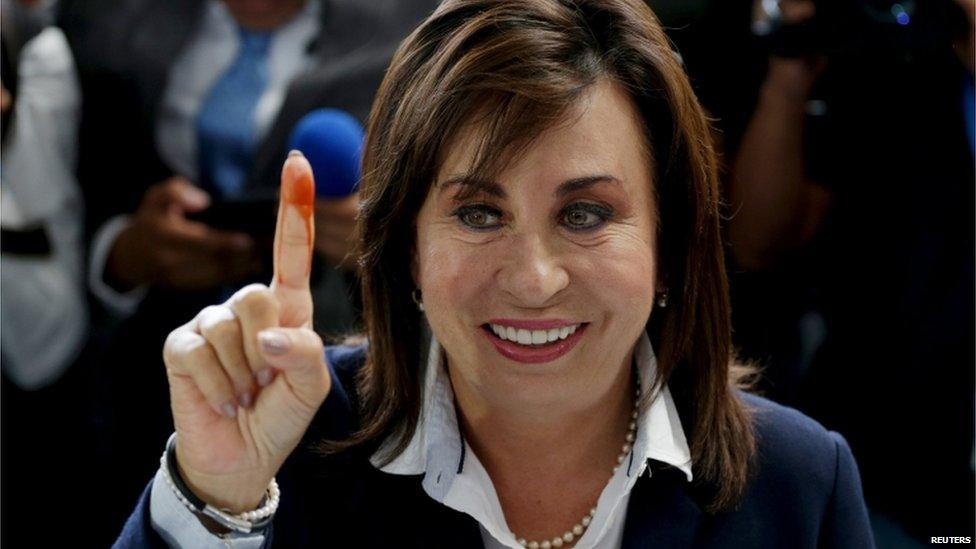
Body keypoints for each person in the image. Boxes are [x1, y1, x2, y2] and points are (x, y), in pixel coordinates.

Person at [116, 0, 874, 547]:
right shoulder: (290, 447)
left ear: (670, 242)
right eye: (479, 213)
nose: (534, 279)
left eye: (585, 215)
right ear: (407, 246)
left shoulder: (802, 483)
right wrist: (214, 502)